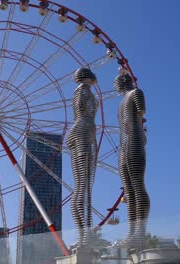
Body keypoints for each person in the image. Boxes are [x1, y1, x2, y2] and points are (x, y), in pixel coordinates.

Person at [114, 73, 150, 251]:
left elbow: (140, 118)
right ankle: (131, 233)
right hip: (123, 145)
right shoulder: (120, 104)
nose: (115, 86)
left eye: (117, 82)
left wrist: (143, 138)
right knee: (129, 192)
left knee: (137, 186)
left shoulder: (137, 93)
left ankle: (140, 232)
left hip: (134, 140)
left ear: (123, 82)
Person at [67, 68, 98, 247]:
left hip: (77, 131)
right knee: (85, 189)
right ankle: (84, 238)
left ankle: (82, 237)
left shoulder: (79, 91)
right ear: (88, 77)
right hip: (83, 130)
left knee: (80, 188)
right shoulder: (84, 90)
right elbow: (83, 110)